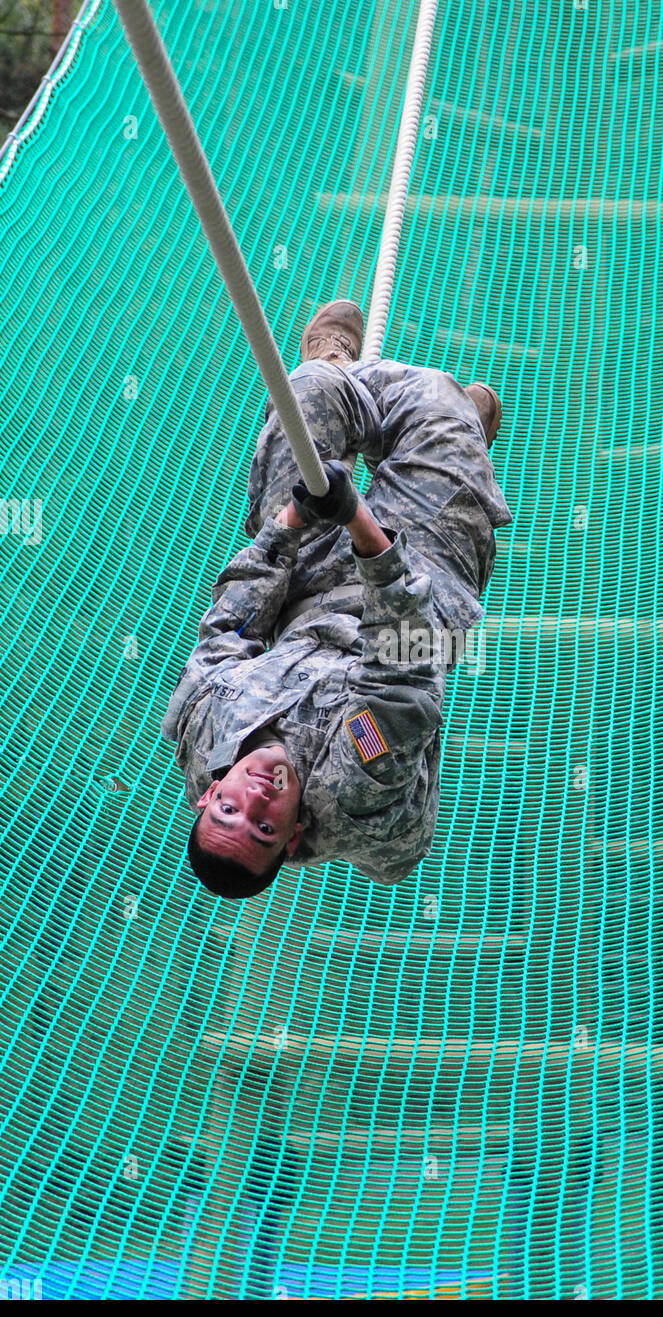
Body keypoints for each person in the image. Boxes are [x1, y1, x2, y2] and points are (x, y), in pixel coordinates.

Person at [161, 300, 513, 898]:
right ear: (293, 836)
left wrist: (294, 517)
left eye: (228, 810)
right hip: (420, 597)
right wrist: (359, 523)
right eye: (264, 827)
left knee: (309, 393)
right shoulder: (354, 786)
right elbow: (403, 665)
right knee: (438, 406)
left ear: (209, 794)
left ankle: (344, 374)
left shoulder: (206, 734)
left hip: (308, 590)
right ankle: (456, 429)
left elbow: (232, 628)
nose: (254, 799)